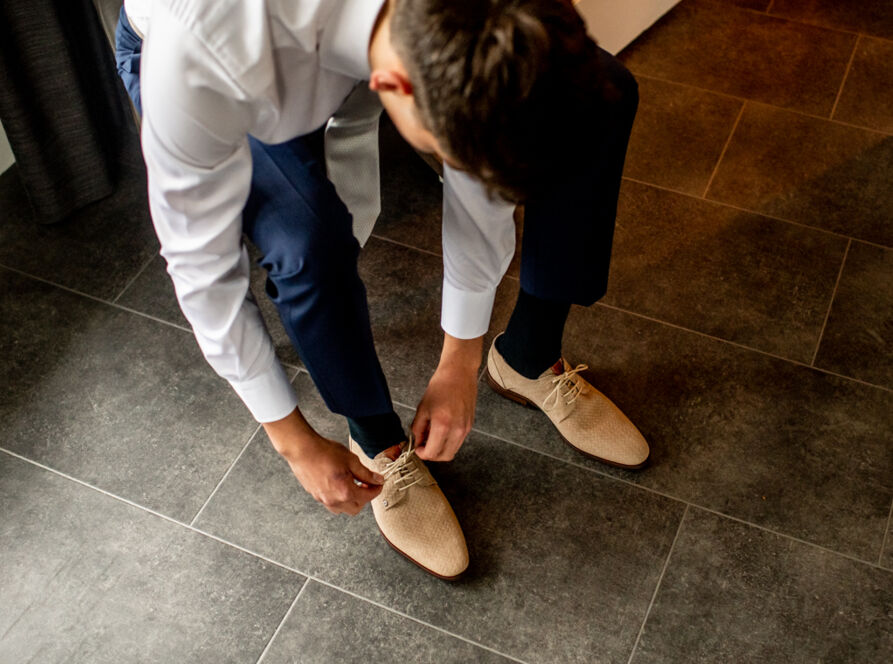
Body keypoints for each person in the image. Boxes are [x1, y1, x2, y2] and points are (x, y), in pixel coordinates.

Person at [115, 0, 648, 580]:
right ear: (389, 84)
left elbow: (483, 160)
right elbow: (202, 270)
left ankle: (528, 353)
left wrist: (460, 359)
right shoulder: (198, 46)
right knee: (306, 241)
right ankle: (378, 441)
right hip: (232, 72)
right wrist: (294, 442)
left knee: (606, 94)